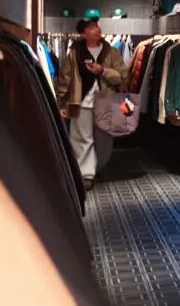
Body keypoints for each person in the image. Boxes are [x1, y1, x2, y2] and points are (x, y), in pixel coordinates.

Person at [55, 18, 129, 189]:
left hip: (105, 102)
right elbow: (66, 78)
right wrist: (62, 103)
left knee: (104, 141)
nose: (97, 29)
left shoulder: (110, 51)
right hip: (80, 102)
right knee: (81, 140)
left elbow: (122, 76)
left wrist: (103, 70)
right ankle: (86, 175)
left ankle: (96, 168)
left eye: (97, 25)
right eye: (92, 27)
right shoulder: (75, 52)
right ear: (83, 33)